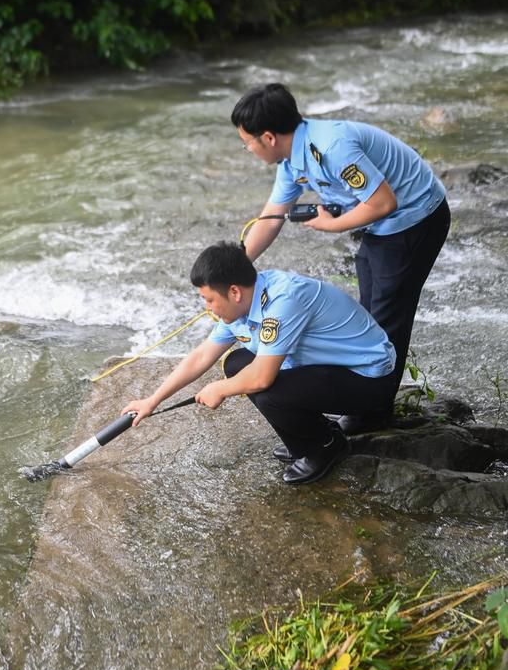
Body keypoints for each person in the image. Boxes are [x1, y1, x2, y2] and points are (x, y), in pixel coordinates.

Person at [231, 83, 450, 435]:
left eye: (247, 142)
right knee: (371, 308)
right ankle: (369, 393)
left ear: (268, 137)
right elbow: (271, 217)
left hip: (414, 217)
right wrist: (236, 269)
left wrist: (332, 226)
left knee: (389, 311)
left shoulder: (331, 147)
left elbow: (383, 203)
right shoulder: (292, 160)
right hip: (382, 225)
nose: (248, 149)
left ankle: (374, 411)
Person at [122, 242, 396, 486]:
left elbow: (262, 378)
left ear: (234, 292)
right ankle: (315, 434)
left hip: (368, 380)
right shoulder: (244, 302)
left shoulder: (283, 301)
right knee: (237, 364)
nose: (207, 308)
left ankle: (325, 446)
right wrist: (152, 400)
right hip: (327, 370)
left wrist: (220, 389)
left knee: (267, 391)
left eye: (209, 300)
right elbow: (202, 355)